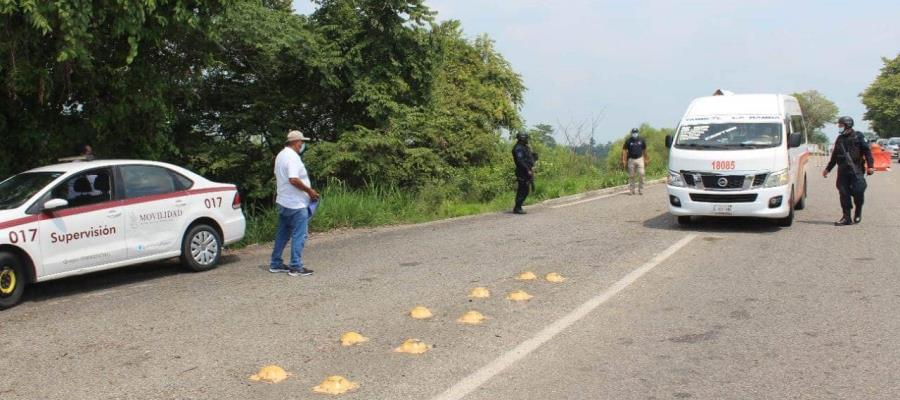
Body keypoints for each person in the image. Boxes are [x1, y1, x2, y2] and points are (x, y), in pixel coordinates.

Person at [269, 130, 319, 276]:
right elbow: (293, 179)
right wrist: (309, 191)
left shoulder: (281, 155)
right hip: (295, 204)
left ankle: (275, 263)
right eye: (301, 142)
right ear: (297, 142)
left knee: (283, 234)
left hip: (284, 201)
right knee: (300, 234)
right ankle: (296, 266)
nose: (302, 145)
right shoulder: (292, 157)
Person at [822, 116, 874, 226]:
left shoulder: (858, 136)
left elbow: (867, 151)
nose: (839, 127)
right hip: (843, 171)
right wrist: (828, 169)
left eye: (841, 125)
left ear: (847, 125)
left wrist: (870, 166)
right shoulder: (839, 139)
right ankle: (846, 217)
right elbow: (834, 156)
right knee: (843, 193)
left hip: (856, 170)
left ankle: (858, 210)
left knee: (858, 191)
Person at [512, 132, 536, 215]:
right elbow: (520, 161)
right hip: (522, 171)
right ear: (522, 138)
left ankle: (519, 204)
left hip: (527, 170)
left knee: (526, 189)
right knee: (523, 189)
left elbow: (529, 157)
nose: (527, 140)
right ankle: (517, 208)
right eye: (526, 138)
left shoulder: (525, 147)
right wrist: (527, 170)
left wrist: (534, 157)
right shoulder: (518, 148)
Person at [621, 128, 649, 195]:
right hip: (631, 160)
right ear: (631, 133)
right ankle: (631, 190)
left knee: (642, 174)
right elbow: (624, 150)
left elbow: (644, 150)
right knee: (631, 176)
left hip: (640, 159)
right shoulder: (628, 141)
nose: (635, 133)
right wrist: (624, 160)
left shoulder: (641, 140)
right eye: (633, 132)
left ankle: (641, 189)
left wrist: (646, 159)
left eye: (636, 132)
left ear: (638, 133)